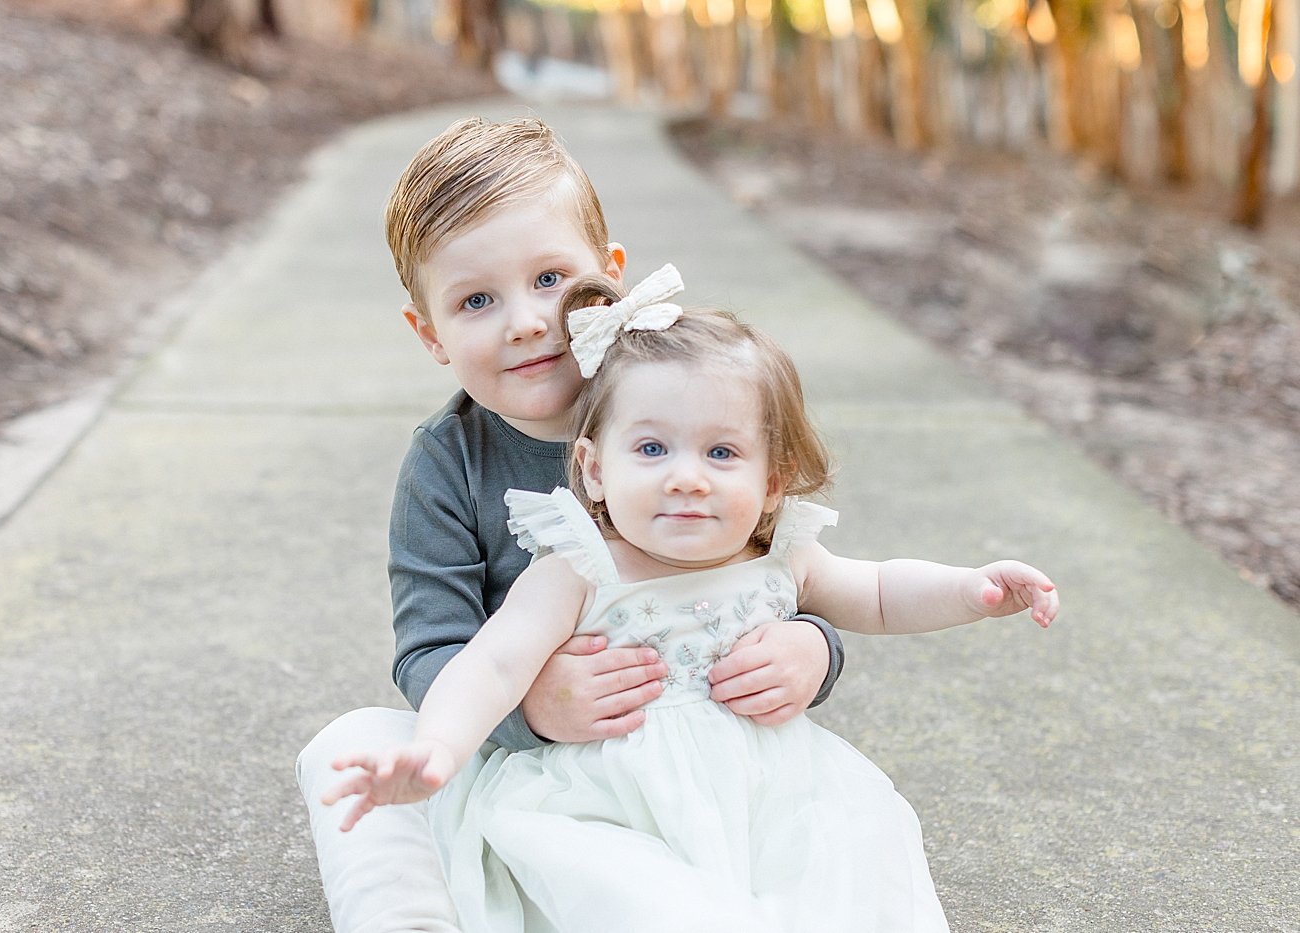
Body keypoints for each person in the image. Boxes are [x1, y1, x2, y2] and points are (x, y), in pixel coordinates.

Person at [322, 266, 1060, 932]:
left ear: (773, 481)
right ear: (595, 468)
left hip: (769, 797)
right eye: (651, 450)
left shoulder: (785, 555)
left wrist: (972, 589)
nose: (686, 477)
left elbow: (878, 591)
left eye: (721, 453)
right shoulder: (576, 568)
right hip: (605, 802)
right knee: (633, 894)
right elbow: (490, 664)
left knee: (852, 857)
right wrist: (438, 749)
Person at [295, 117, 848, 932]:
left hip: (689, 756)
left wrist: (815, 648)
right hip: (525, 759)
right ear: (429, 334)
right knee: (348, 748)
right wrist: (533, 709)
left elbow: (790, 568)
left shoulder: (689, 398)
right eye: (476, 299)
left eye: (550, 279)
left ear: (610, 280)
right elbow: (428, 650)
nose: (524, 320)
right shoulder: (450, 464)